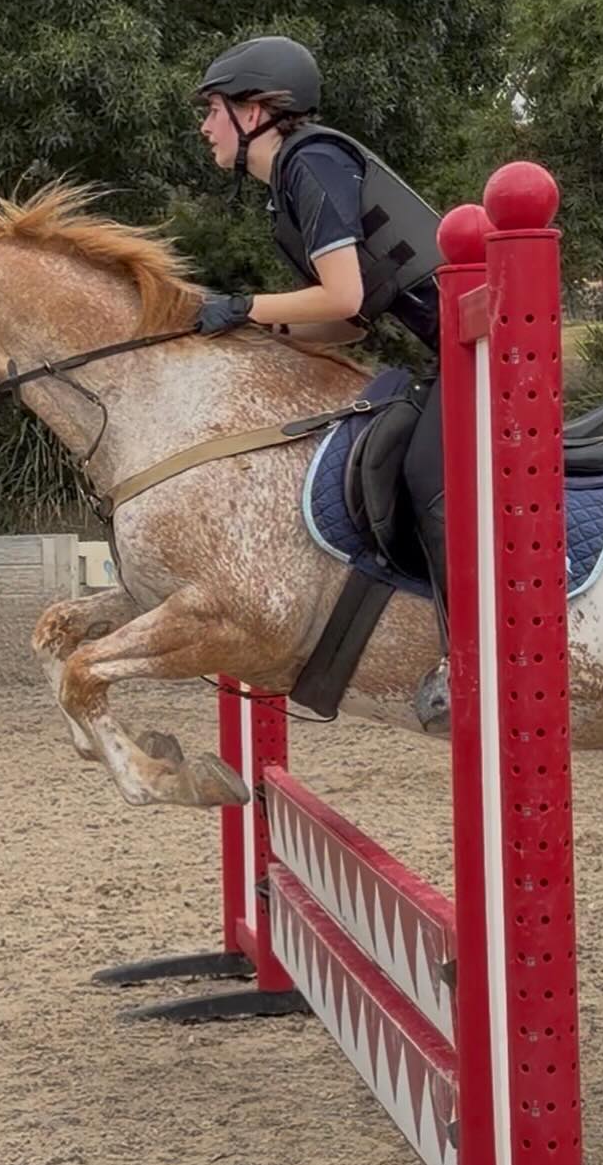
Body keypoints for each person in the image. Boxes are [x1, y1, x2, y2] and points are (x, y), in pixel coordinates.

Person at [193, 35, 450, 729]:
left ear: (253, 112)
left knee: (425, 471)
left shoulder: (313, 163)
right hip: (455, 347)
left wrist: (245, 306)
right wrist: (256, 332)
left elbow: (339, 298)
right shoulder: (292, 186)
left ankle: (470, 662)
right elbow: (351, 325)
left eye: (212, 109)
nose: (204, 126)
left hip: (492, 346)